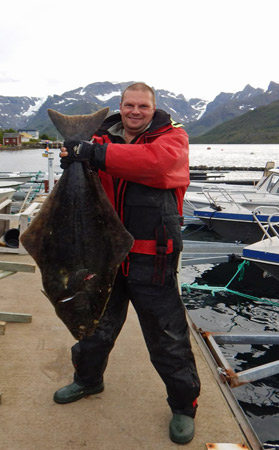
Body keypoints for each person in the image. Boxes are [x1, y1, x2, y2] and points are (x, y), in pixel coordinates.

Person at [56, 82, 201, 445]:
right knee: (93, 326)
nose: (136, 112)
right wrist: (73, 157)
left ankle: (184, 406)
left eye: (143, 106)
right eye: (129, 105)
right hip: (103, 257)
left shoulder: (172, 140)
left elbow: (159, 165)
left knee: (167, 338)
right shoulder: (99, 141)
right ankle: (88, 380)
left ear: (154, 109)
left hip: (153, 259)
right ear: (120, 108)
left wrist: (90, 153)